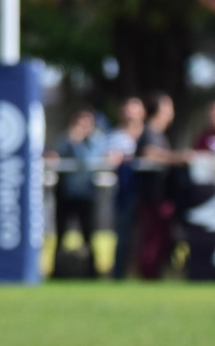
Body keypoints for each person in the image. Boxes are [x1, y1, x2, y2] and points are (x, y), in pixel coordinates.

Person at [48, 108, 108, 277]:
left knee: (88, 234)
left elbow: (86, 161)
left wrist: (76, 143)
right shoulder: (65, 138)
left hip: (86, 195)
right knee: (60, 234)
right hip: (65, 194)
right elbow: (56, 157)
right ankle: (57, 271)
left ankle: (92, 272)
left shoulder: (97, 140)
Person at [135, 94, 178, 279]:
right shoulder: (150, 132)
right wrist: (179, 158)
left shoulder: (159, 134)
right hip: (153, 196)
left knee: (163, 238)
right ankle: (148, 276)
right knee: (153, 238)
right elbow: (149, 153)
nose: (172, 112)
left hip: (161, 195)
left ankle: (155, 274)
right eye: (168, 107)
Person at [105, 96, 145, 279]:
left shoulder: (148, 134)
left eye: (134, 109)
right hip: (125, 192)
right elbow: (110, 160)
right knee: (124, 234)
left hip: (150, 192)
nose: (130, 114)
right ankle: (120, 273)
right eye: (127, 110)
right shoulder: (115, 136)